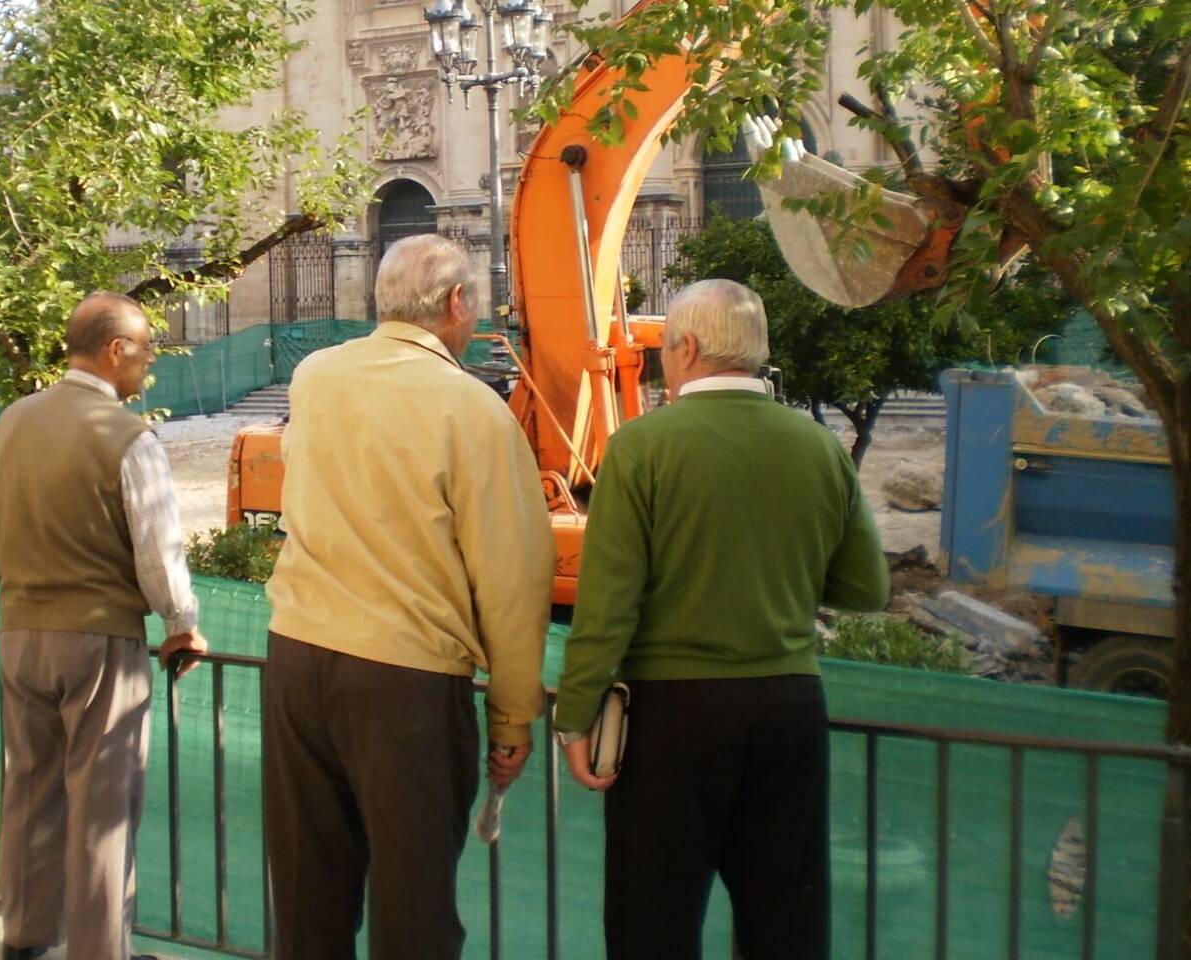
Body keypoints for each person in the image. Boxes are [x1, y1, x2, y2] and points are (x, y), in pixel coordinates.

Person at [553, 279, 890, 960]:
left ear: (687, 347)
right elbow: (866, 585)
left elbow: (608, 605)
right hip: (790, 709)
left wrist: (575, 715)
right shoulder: (817, 446)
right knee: (785, 926)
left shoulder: (642, 448)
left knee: (654, 923)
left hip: (672, 720)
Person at [261, 234, 555, 960]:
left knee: (307, 896)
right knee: (414, 909)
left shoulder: (315, 377)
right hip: (406, 679)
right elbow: (513, 575)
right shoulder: (474, 409)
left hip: (297, 658)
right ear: (457, 304)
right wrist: (513, 716)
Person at [0, 292, 206, 960]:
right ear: (116, 351)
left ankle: (25, 937)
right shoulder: (128, 437)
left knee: (28, 789)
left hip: (19, 632)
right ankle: (100, 950)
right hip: (98, 641)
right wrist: (182, 622)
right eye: (145, 351)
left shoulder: (13, 421)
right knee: (101, 807)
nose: (148, 365)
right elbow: (158, 551)